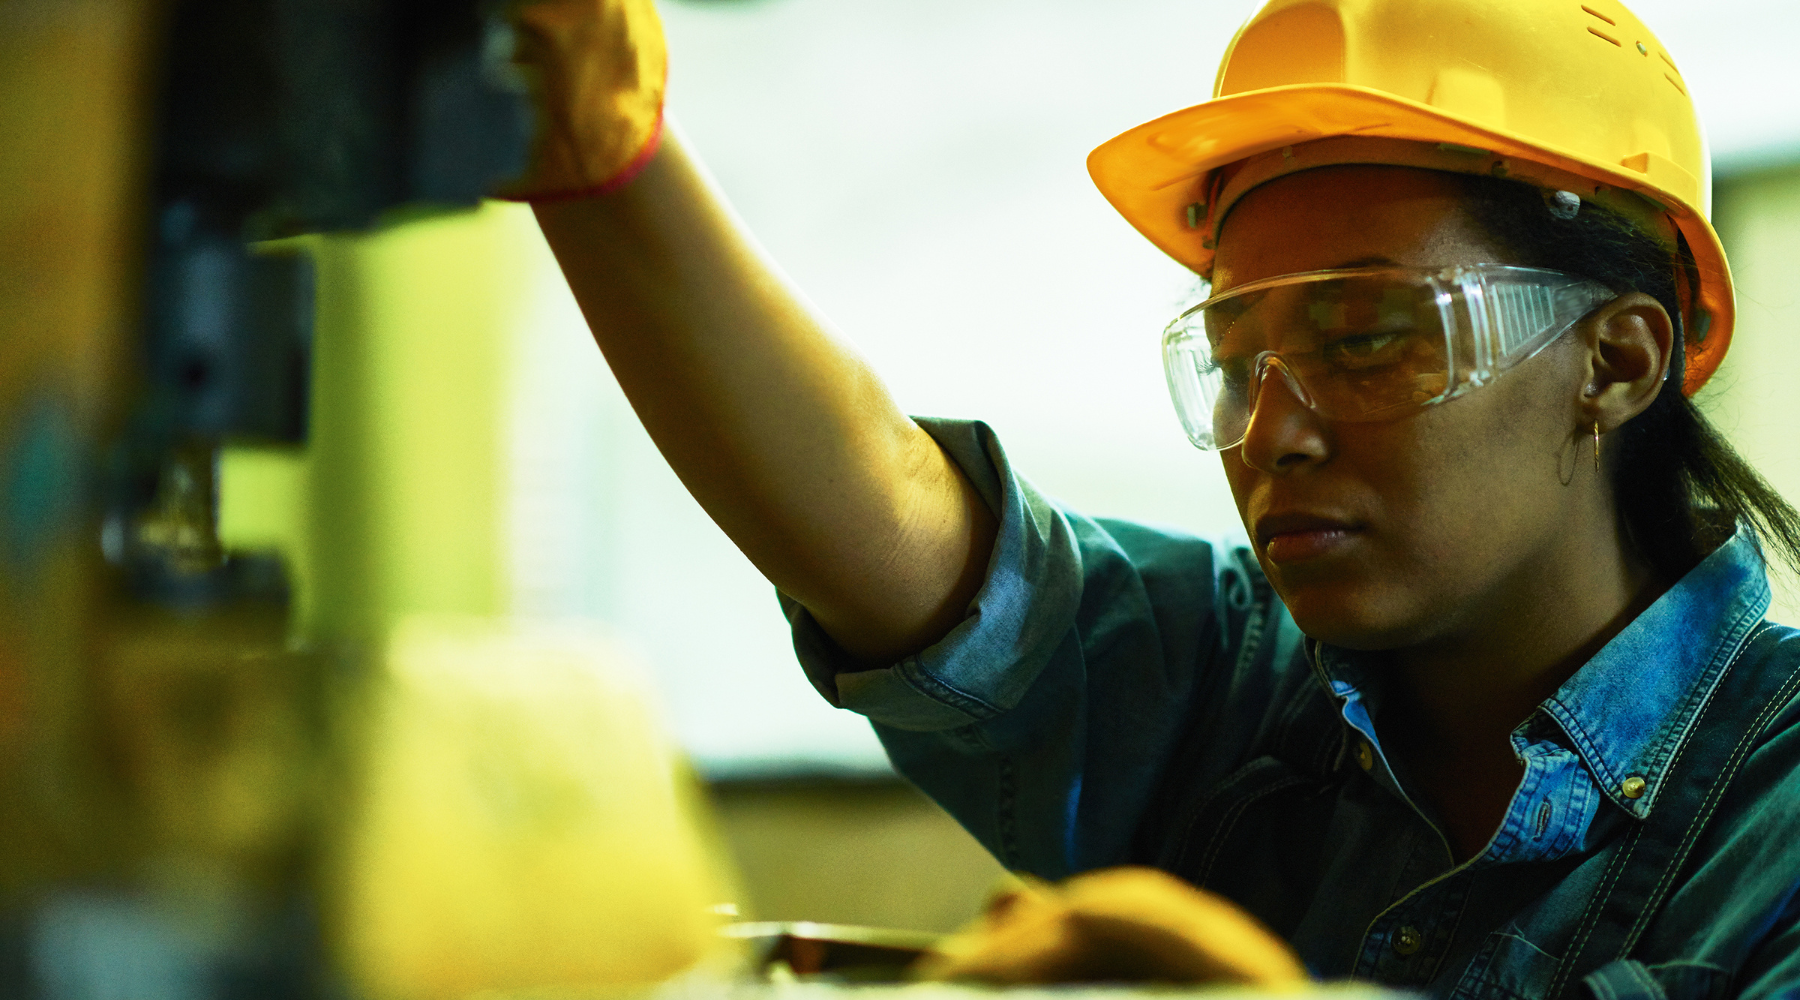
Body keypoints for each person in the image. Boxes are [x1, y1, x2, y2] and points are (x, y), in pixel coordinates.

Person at [504, 0, 1800, 995]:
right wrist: (604, 151)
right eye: (1238, 362)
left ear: (1616, 362)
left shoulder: (1773, 813)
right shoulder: (1237, 693)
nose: (1271, 432)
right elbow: (887, 527)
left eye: (1368, 337)